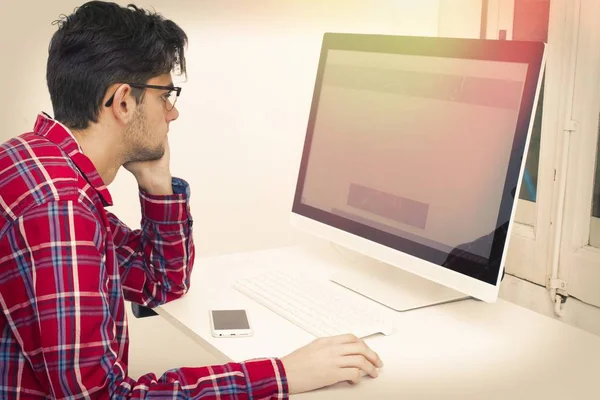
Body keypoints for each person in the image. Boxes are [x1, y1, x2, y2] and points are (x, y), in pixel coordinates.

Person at [0, 1, 384, 399]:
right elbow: (101, 396)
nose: (173, 113)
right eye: (165, 95)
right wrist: (283, 374)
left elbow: (161, 282)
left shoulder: (35, 161)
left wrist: (157, 185)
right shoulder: (60, 209)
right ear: (124, 102)